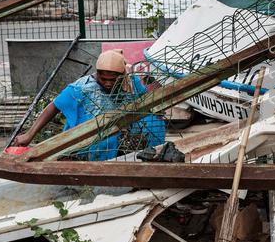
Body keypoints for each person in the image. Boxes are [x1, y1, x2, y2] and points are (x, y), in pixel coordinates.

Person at [12, 49, 165, 160]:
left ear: (122, 75)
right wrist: (29, 135)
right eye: (103, 78)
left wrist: (155, 111)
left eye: (113, 80)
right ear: (97, 73)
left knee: (153, 123)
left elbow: (146, 100)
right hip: (86, 139)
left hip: (119, 134)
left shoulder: (131, 83)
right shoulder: (82, 87)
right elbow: (54, 106)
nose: (107, 83)